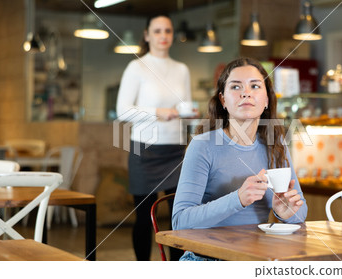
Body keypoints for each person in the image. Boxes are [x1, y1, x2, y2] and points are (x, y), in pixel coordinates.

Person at [172, 57, 308, 261]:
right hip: (208, 259)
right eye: (236, 87)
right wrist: (238, 199)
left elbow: (300, 212)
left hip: (260, 256)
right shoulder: (202, 145)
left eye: (255, 86)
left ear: (267, 100)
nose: (246, 92)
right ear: (223, 100)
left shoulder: (276, 144)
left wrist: (285, 212)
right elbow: (180, 221)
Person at [116, 14, 190, 261]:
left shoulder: (182, 69)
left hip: (176, 150)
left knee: (177, 217)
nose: (163, 36)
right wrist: (158, 112)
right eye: (157, 31)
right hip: (144, 151)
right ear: (147, 35)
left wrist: (191, 113)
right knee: (144, 218)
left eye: (168, 31)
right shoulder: (136, 66)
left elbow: (185, 108)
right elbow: (123, 111)